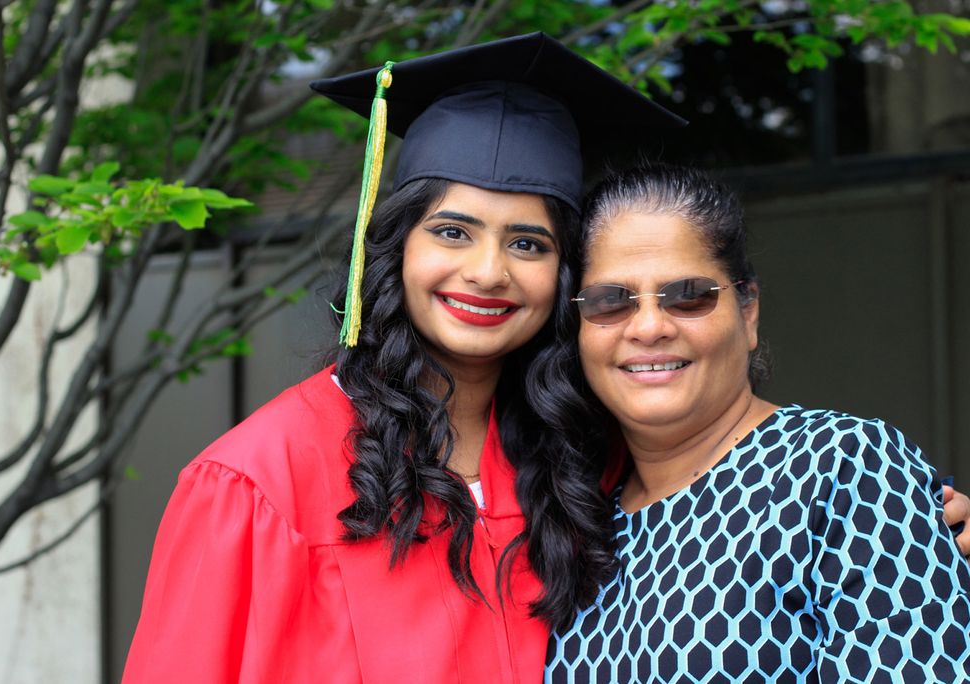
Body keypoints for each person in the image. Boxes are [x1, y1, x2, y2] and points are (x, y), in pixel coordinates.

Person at [121, 33, 685, 683]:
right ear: (396, 246)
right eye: (452, 231)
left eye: (528, 244)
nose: (487, 272)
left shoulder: (583, 463)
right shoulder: (257, 482)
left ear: (563, 274)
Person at [546, 163, 970, 682]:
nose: (650, 326)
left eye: (688, 295)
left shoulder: (843, 469)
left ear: (748, 312)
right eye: (610, 301)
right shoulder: (578, 520)